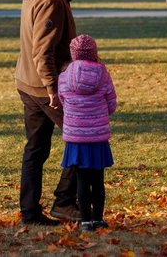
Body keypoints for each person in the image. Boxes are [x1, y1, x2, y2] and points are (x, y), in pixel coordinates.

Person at [16, 0, 96, 226]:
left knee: (36, 148)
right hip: (43, 86)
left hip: (26, 82)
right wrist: (52, 89)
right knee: (83, 136)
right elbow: (43, 50)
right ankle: (64, 201)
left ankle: (29, 212)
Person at [58, 34, 117, 232]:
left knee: (82, 180)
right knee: (98, 179)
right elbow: (111, 104)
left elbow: (63, 101)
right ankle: (98, 218)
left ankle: (85, 220)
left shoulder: (64, 77)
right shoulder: (102, 74)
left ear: (73, 54)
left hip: (76, 137)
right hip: (97, 135)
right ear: (94, 53)